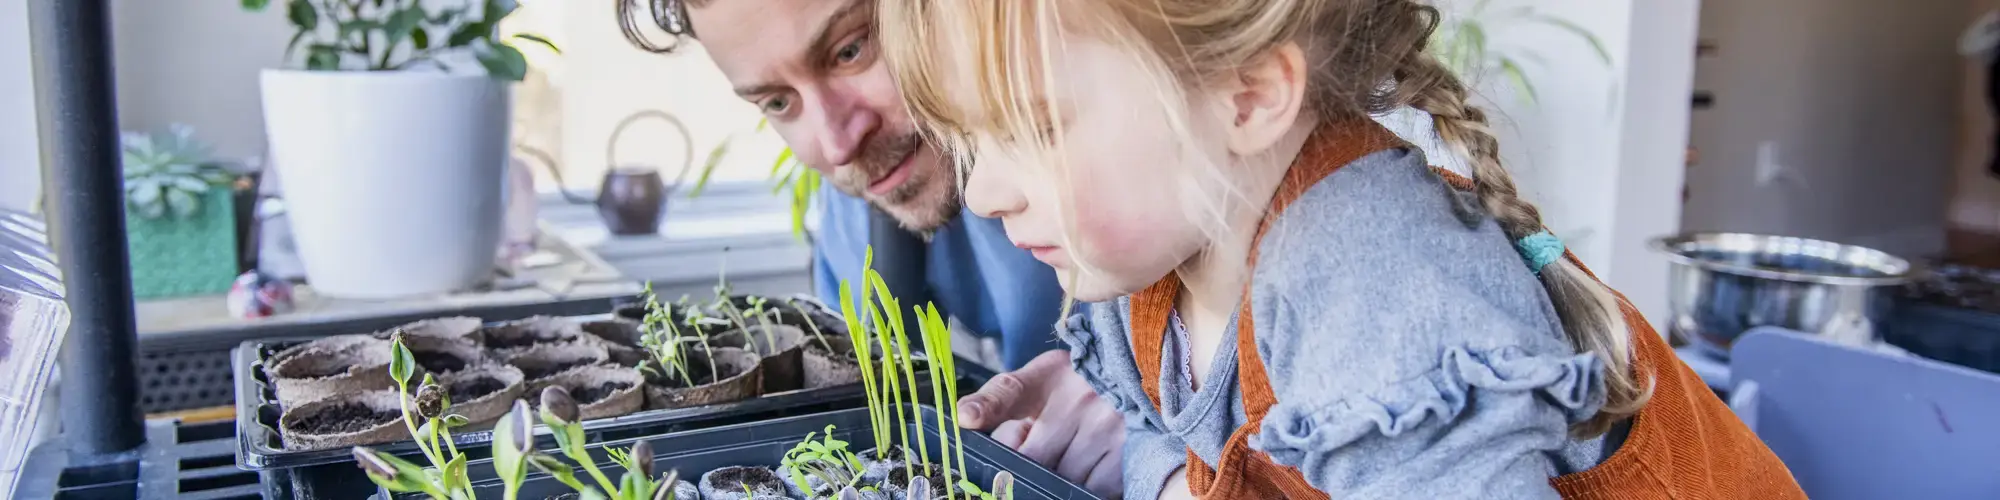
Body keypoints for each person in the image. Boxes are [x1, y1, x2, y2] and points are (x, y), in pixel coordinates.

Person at [876, 0, 1808, 499]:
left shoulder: (1372, 276)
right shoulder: (1144, 271)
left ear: (1246, 96)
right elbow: (1159, 442)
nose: (985, 193)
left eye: (1027, 132)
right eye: (967, 145)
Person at [615, 1, 1127, 496]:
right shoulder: (868, 202)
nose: (837, 144)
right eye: (777, 102)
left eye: (850, 50)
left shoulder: (1132, 139)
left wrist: (1155, 404)